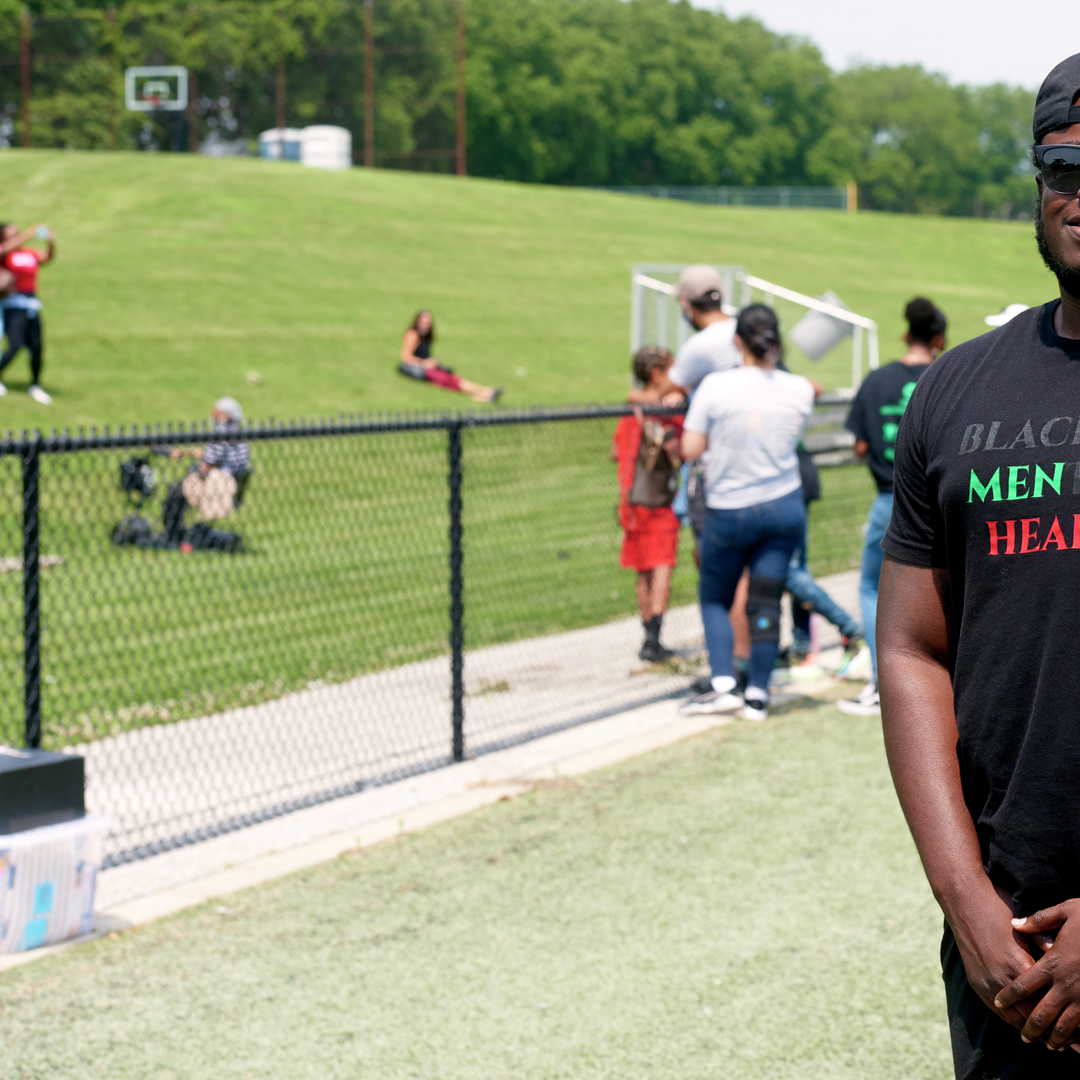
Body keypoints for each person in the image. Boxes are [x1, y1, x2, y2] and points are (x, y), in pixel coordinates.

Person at [879, 54, 1080, 1077]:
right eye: (1066, 166)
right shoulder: (954, 395)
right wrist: (968, 904)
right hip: (1011, 956)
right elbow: (915, 651)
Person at [677, 304, 814, 721]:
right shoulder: (799, 388)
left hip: (730, 508)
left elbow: (690, 450)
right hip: (784, 505)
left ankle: (723, 683)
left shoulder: (716, 387)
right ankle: (758, 692)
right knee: (766, 601)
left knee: (715, 596)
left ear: (738, 341)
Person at [837, 296, 946, 716]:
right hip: (944, 502)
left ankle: (883, 681)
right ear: (938, 336)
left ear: (905, 333)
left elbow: (861, 443)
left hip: (890, 499)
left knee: (872, 588)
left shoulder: (877, 379)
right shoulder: (950, 372)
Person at [612, 346, 683, 662]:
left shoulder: (633, 410)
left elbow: (617, 451)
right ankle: (655, 637)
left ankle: (648, 635)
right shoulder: (666, 410)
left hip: (630, 498)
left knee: (643, 569)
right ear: (657, 374)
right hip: (658, 499)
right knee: (662, 564)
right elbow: (680, 452)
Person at [163, 397, 250, 541]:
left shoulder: (221, 431)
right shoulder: (237, 432)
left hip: (219, 480)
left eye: (215, 412)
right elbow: (223, 454)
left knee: (176, 491)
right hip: (234, 476)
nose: (212, 416)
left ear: (224, 414)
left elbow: (210, 462)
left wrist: (198, 467)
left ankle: (173, 534)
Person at [0, 223, 55, 403]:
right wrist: (29, 234)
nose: (16, 237)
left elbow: (46, 258)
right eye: (12, 234)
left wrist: (50, 243)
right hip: (13, 304)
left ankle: (36, 384)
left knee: (37, 347)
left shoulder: (27, 252)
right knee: (15, 344)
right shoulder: (5, 253)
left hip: (31, 303)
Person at [399, 311, 503, 403]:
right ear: (417, 321)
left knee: (455, 377)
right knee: (452, 381)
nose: (427, 324)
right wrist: (423, 363)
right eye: (424, 321)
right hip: (421, 369)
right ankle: (485, 392)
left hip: (430, 367)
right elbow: (405, 356)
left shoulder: (426, 335)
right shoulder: (412, 335)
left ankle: (484, 394)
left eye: (428, 321)